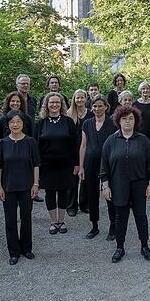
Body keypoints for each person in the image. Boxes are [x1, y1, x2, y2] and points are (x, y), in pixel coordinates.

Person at [100, 106, 150, 263]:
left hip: (139, 184)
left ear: (135, 120)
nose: (127, 121)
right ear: (118, 120)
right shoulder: (110, 141)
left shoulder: (143, 140)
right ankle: (120, 247)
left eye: (131, 118)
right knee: (120, 217)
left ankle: (145, 246)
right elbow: (104, 167)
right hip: (118, 185)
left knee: (141, 216)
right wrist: (106, 186)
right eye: (124, 118)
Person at [0, 110, 40, 265]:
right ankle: (14, 251)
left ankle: (26, 248)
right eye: (12, 122)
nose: (15, 124)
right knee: (10, 220)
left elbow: (36, 164)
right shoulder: (2, 143)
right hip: (8, 187)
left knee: (26, 218)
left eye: (18, 121)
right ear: (8, 125)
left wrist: (35, 183)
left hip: (27, 186)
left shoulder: (31, 142)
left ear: (22, 124)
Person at [36, 92, 78, 235]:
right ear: (46, 105)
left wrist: (76, 164)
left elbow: (75, 144)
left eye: (57, 103)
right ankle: (53, 222)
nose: (54, 105)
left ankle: (61, 220)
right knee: (49, 192)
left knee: (63, 192)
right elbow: (36, 146)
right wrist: (37, 166)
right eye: (51, 102)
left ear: (61, 105)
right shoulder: (41, 123)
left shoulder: (68, 122)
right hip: (46, 165)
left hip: (65, 164)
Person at [78, 95, 118, 240]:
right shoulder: (87, 123)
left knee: (110, 195)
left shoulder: (113, 123)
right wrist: (81, 166)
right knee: (91, 195)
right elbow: (83, 145)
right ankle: (94, 226)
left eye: (100, 106)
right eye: (94, 106)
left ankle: (113, 226)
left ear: (106, 107)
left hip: (108, 164)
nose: (97, 109)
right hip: (90, 163)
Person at [16, 74, 43, 202]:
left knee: (31, 162)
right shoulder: (14, 99)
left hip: (30, 134)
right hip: (16, 134)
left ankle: (33, 190)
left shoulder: (33, 100)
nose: (25, 85)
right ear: (17, 85)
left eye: (27, 83)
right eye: (22, 83)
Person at [67, 89, 93, 217]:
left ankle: (84, 203)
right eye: (77, 98)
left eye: (82, 98)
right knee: (72, 179)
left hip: (87, 149)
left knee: (85, 177)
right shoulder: (68, 114)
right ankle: (71, 205)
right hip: (71, 149)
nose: (79, 100)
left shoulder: (91, 114)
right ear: (74, 99)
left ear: (86, 99)